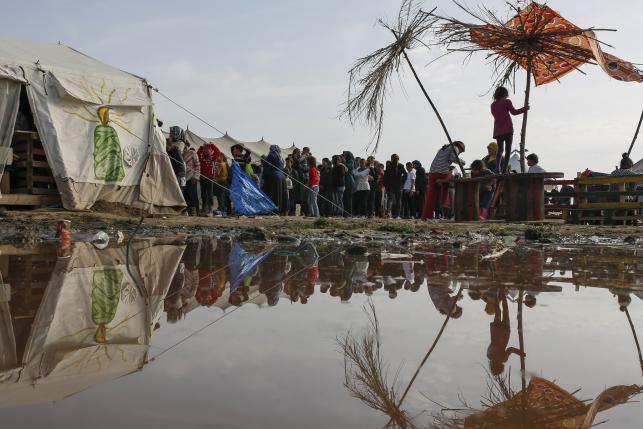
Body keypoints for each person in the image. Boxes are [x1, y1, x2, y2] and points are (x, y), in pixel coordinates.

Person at [422, 141, 465, 219]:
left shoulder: (442, 148)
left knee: (430, 197)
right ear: (460, 148)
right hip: (442, 173)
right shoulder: (455, 147)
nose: (459, 153)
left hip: (432, 173)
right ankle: (444, 201)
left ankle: (426, 216)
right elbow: (453, 158)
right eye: (460, 152)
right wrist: (462, 162)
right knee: (449, 178)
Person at [491, 86, 528, 173]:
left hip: (498, 130)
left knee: (500, 150)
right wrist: (524, 109)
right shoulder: (507, 101)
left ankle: (497, 168)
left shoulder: (493, 105)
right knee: (508, 150)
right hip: (507, 129)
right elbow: (514, 112)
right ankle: (504, 170)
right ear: (505, 94)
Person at [487, 288, 524, 376]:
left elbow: (510, 349)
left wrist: (521, 353)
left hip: (504, 333)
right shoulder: (489, 355)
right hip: (495, 332)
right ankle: (496, 293)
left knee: (505, 312)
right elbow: (491, 345)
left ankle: (502, 293)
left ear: (500, 367)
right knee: (498, 312)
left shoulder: (503, 359)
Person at [261, 145, 288, 215]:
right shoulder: (281, 157)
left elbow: (267, 167)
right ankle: (282, 210)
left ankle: (274, 210)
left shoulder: (271, 155)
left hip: (274, 177)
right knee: (281, 194)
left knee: (274, 194)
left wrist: (264, 177)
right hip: (282, 177)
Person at [197, 141, 220, 217]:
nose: (205, 151)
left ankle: (210, 209)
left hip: (210, 178)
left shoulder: (213, 157)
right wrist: (201, 147)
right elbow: (197, 154)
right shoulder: (201, 157)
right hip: (202, 178)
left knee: (210, 194)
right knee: (203, 194)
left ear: (210, 150)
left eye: (207, 149)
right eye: (205, 149)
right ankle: (204, 209)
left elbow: (218, 152)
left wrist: (212, 145)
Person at [384, 154, 406, 218]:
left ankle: (389, 213)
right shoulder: (400, 166)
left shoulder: (389, 166)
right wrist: (402, 182)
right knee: (398, 200)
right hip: (398, 186)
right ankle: (397, 215)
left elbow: (386, 177)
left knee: (390, 199)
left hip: (391, 186)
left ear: (391, 159)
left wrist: (386, 185)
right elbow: (405, 175)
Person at [182, 141, 200, 216]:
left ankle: (195, 211)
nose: (184, 148)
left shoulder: (192, 152)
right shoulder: (181, 154)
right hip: (184, 177)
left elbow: (197, 165)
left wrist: (196, 176)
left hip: (192, 177)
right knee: (186, 194)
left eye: (185, 146)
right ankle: (189, 210)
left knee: (192, 194)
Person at [342, 151, 356, 216]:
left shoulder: (351, 161)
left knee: (348, 199)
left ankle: (349, 213)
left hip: (350, 182)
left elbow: (348, 168)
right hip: (345, 182)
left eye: (345, 155)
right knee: (344, 199)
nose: (343, 156)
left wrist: (344, 162)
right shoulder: (345, 161)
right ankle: (345, 212)